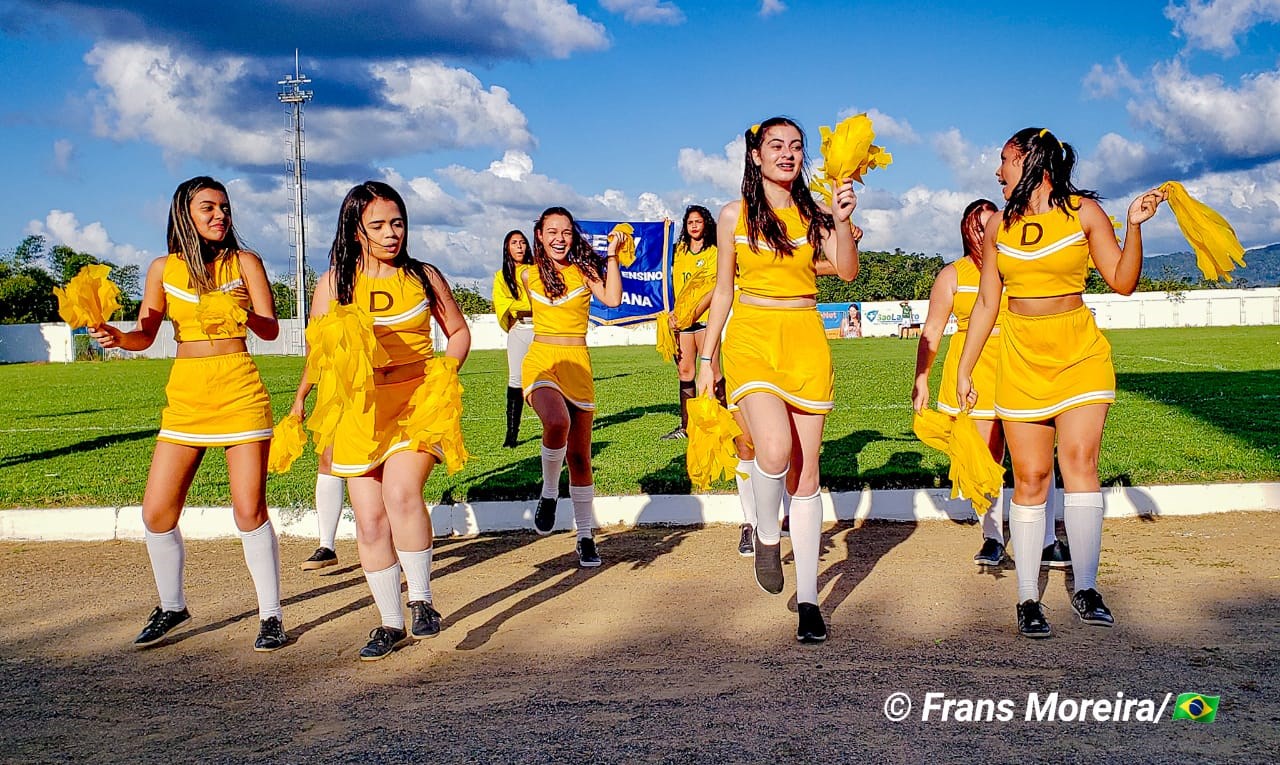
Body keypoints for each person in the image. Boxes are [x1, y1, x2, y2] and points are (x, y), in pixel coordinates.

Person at [957, 128, 1165, 638]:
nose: (997, 171)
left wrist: (1134, 227)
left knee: (1080, 463)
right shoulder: (1000, 225)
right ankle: (1028, 597)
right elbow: (987, 303)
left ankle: (1087, 588)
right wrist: (965, 368)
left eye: (1004, 160)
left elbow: (1122, 279)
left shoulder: (1084, 212)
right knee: (1029, 479)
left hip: (1079, 353)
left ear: (1030, 161)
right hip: (1022, 356)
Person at [90, 176, 286, 652]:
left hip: (239, 390)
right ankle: (172, 606)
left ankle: (271, 615)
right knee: (156, 512)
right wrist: (120, 340)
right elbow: (146, 331)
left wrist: (247, 312)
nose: (220, 215)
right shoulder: (162, 269)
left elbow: (271, 330)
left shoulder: (245, 262)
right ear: (185, 214)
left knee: (248, 510)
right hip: (186, 396)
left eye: (224, 208)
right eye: (208, 208)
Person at [697, 117, 859, 644]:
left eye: (795, 147)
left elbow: (848, 270)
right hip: (751, 336)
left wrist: (841, 218)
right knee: (773, 447)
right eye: (776, 146)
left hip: (805, 337)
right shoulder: (732, 215)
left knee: (806, 476)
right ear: (756, 156)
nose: (787, 154)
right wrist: (706, 357)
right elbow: (723, 290)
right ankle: (768, 534)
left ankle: (809, 599)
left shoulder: (814, 214)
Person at [305, 181, 471, 660]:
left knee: (401, 493)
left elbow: (457, 332)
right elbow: (319, 353)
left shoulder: (423, 276)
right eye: (378, 224)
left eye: (397, 222)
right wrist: (303, 402)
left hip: (418, 401)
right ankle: (389, 623)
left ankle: (421, 600)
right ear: (356, 229)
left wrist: (447, 370)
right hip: (359, 412)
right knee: (371, 521)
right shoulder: (334, 282)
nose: (391, 232)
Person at [523, 206, 623, 567]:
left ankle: (584, 537)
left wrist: (611, 256)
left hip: (577, 364)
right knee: (556, 422)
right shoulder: (527, 275)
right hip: (542, 362)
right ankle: (549, 492)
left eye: (565, 232)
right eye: (552, 231)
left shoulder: (583, 272)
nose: (559, 238)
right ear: (540, 235)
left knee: (580, 458)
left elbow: (612, 299)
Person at [662, 205, 720, 440]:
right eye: (690, 222)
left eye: (698, 221)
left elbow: (717, 287)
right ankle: (686, 427)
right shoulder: (679, 252)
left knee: (713, 372)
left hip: (705, 319)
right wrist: (662, 232)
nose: (694, 226)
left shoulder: (715, 252)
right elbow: (658, 261)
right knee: (685, 371)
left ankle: (718, 422)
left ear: (706, 223)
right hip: (681, 322)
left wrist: (695, 312)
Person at [492, 230, 534, 448]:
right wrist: (524, 306)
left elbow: (542, 301)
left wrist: (521, 306)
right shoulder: (501, 276)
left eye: (522, 242)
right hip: (519, 329)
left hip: (542, 327)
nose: (519, 247)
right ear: (507, 248)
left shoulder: (537, 270)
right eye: (514, 243)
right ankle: (511, 435)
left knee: (548, 377)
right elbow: (503, 304)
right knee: (515, 379)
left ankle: (559, 427)